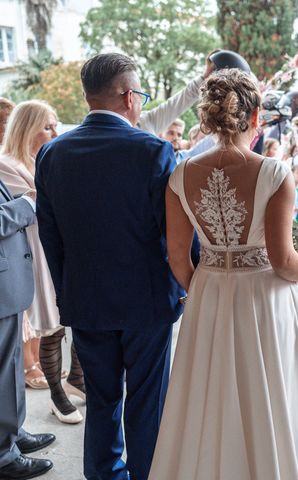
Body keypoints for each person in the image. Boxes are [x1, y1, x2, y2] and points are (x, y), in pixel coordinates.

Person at [149, 68, 298, 479]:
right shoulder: (273, 173)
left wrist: (207, 289)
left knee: (210, 396)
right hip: (264, 299)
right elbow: (282, 260)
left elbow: (178, 258)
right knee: (263, 394)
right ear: (255, 118)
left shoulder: (179, 175)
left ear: (210, 118)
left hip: (209, 294)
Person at [35, 53, 183, 480]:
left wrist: (68, 294)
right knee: (146, 401)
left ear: (87, 96)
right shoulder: (154, 150)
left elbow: (51, 237)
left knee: (101, 400)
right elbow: (171, 232)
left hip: (86, 299)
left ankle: (102, 475)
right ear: (129, 96)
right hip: (148, 301)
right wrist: (182, 286)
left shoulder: (53, 154)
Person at [0, 100, 85, 424]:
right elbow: (42, 204)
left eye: (56, 125)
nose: (55, 133)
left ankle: (76, 382)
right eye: (47, 127)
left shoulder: (44, 160)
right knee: (51, 330)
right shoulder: (8, 163)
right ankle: (57, 395)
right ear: (26, 129)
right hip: (35, 257)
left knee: (75, 322)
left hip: (61, 253)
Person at [0, 180, 55, 480]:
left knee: (11, 367)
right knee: (3, 372)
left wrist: (21, 197)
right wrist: (25, 206)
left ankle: (12, 432)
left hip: (8, 285)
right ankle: (3, 456)